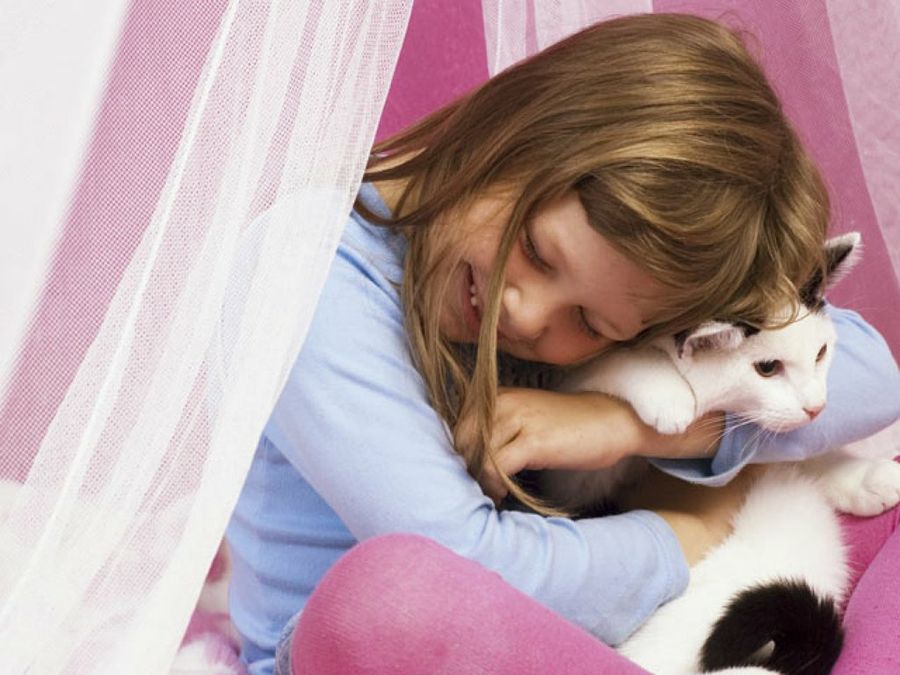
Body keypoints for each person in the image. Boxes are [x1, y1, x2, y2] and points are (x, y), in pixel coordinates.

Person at [224, 14, 900, 675]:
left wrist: (621, 425)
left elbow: (872, 373)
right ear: (516, 131)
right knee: (391, 594)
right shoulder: (304, 268)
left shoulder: (632, 293)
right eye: (535, 251)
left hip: (568, 616)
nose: (525, 311)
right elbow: (464, 562)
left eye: (593, 325)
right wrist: (694, 529)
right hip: (374, 644)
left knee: (883, 521)